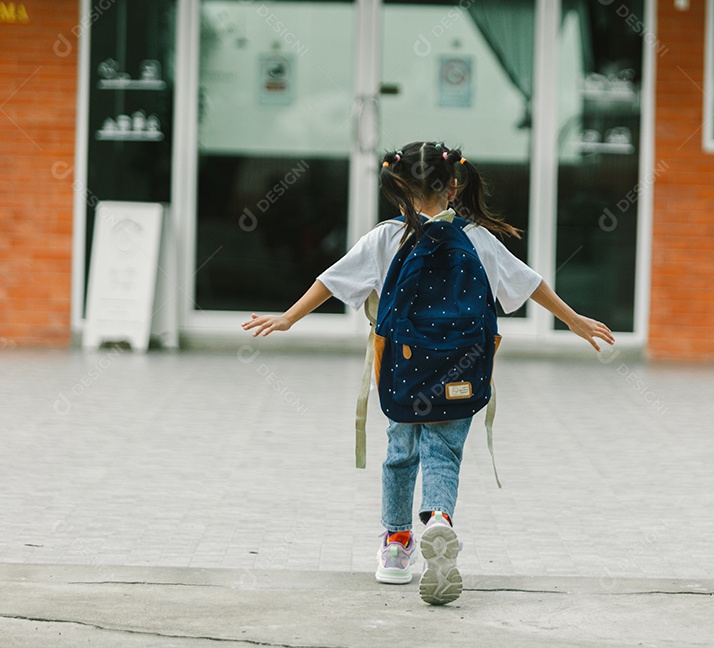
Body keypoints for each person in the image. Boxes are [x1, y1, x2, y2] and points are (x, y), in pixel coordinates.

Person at [241, 141, 614, 605]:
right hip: (462, 370)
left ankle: (397, 545)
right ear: (455, 184)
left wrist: (288, 317)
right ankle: (438, 519)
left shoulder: (385, 238)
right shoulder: (476, 238)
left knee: (400, 452)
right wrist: (574, 320)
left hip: (405, 368)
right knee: (444, 453)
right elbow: (529, 281)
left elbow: (331, 280)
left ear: (397, 188)